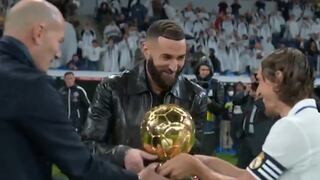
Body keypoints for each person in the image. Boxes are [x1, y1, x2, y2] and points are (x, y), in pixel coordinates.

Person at [0, 0, 165, 179]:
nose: (58, 53)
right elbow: (81, 167)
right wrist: (139, 179)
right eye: (59, 41)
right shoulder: (31, 85)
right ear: (38, 33)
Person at [158, 48, 320, 180]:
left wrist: (197, 169)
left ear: (277, 79)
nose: (258, 91)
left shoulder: (291, 126)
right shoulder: (308, 121)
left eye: (260, 81)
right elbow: (247, 175)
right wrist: (203, 161)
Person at [82, 19, 207, 173]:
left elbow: (195, 155)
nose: (174, 67)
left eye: (181, 58)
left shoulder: (196, 96)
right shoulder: (111, 88)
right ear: (146, 50)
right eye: (166, 57)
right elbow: (87, 147)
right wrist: (123, 155)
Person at [192, 60, 224, 156]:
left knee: (208, 154)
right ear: (198, 70)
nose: (204, 72)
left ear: (211, 71)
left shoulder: (216, 84)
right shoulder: (192, 83)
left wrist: (209, 102)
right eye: (202, 69)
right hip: (194, 123)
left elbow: (220, 107)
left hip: (210, 124)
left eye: (207, 69)